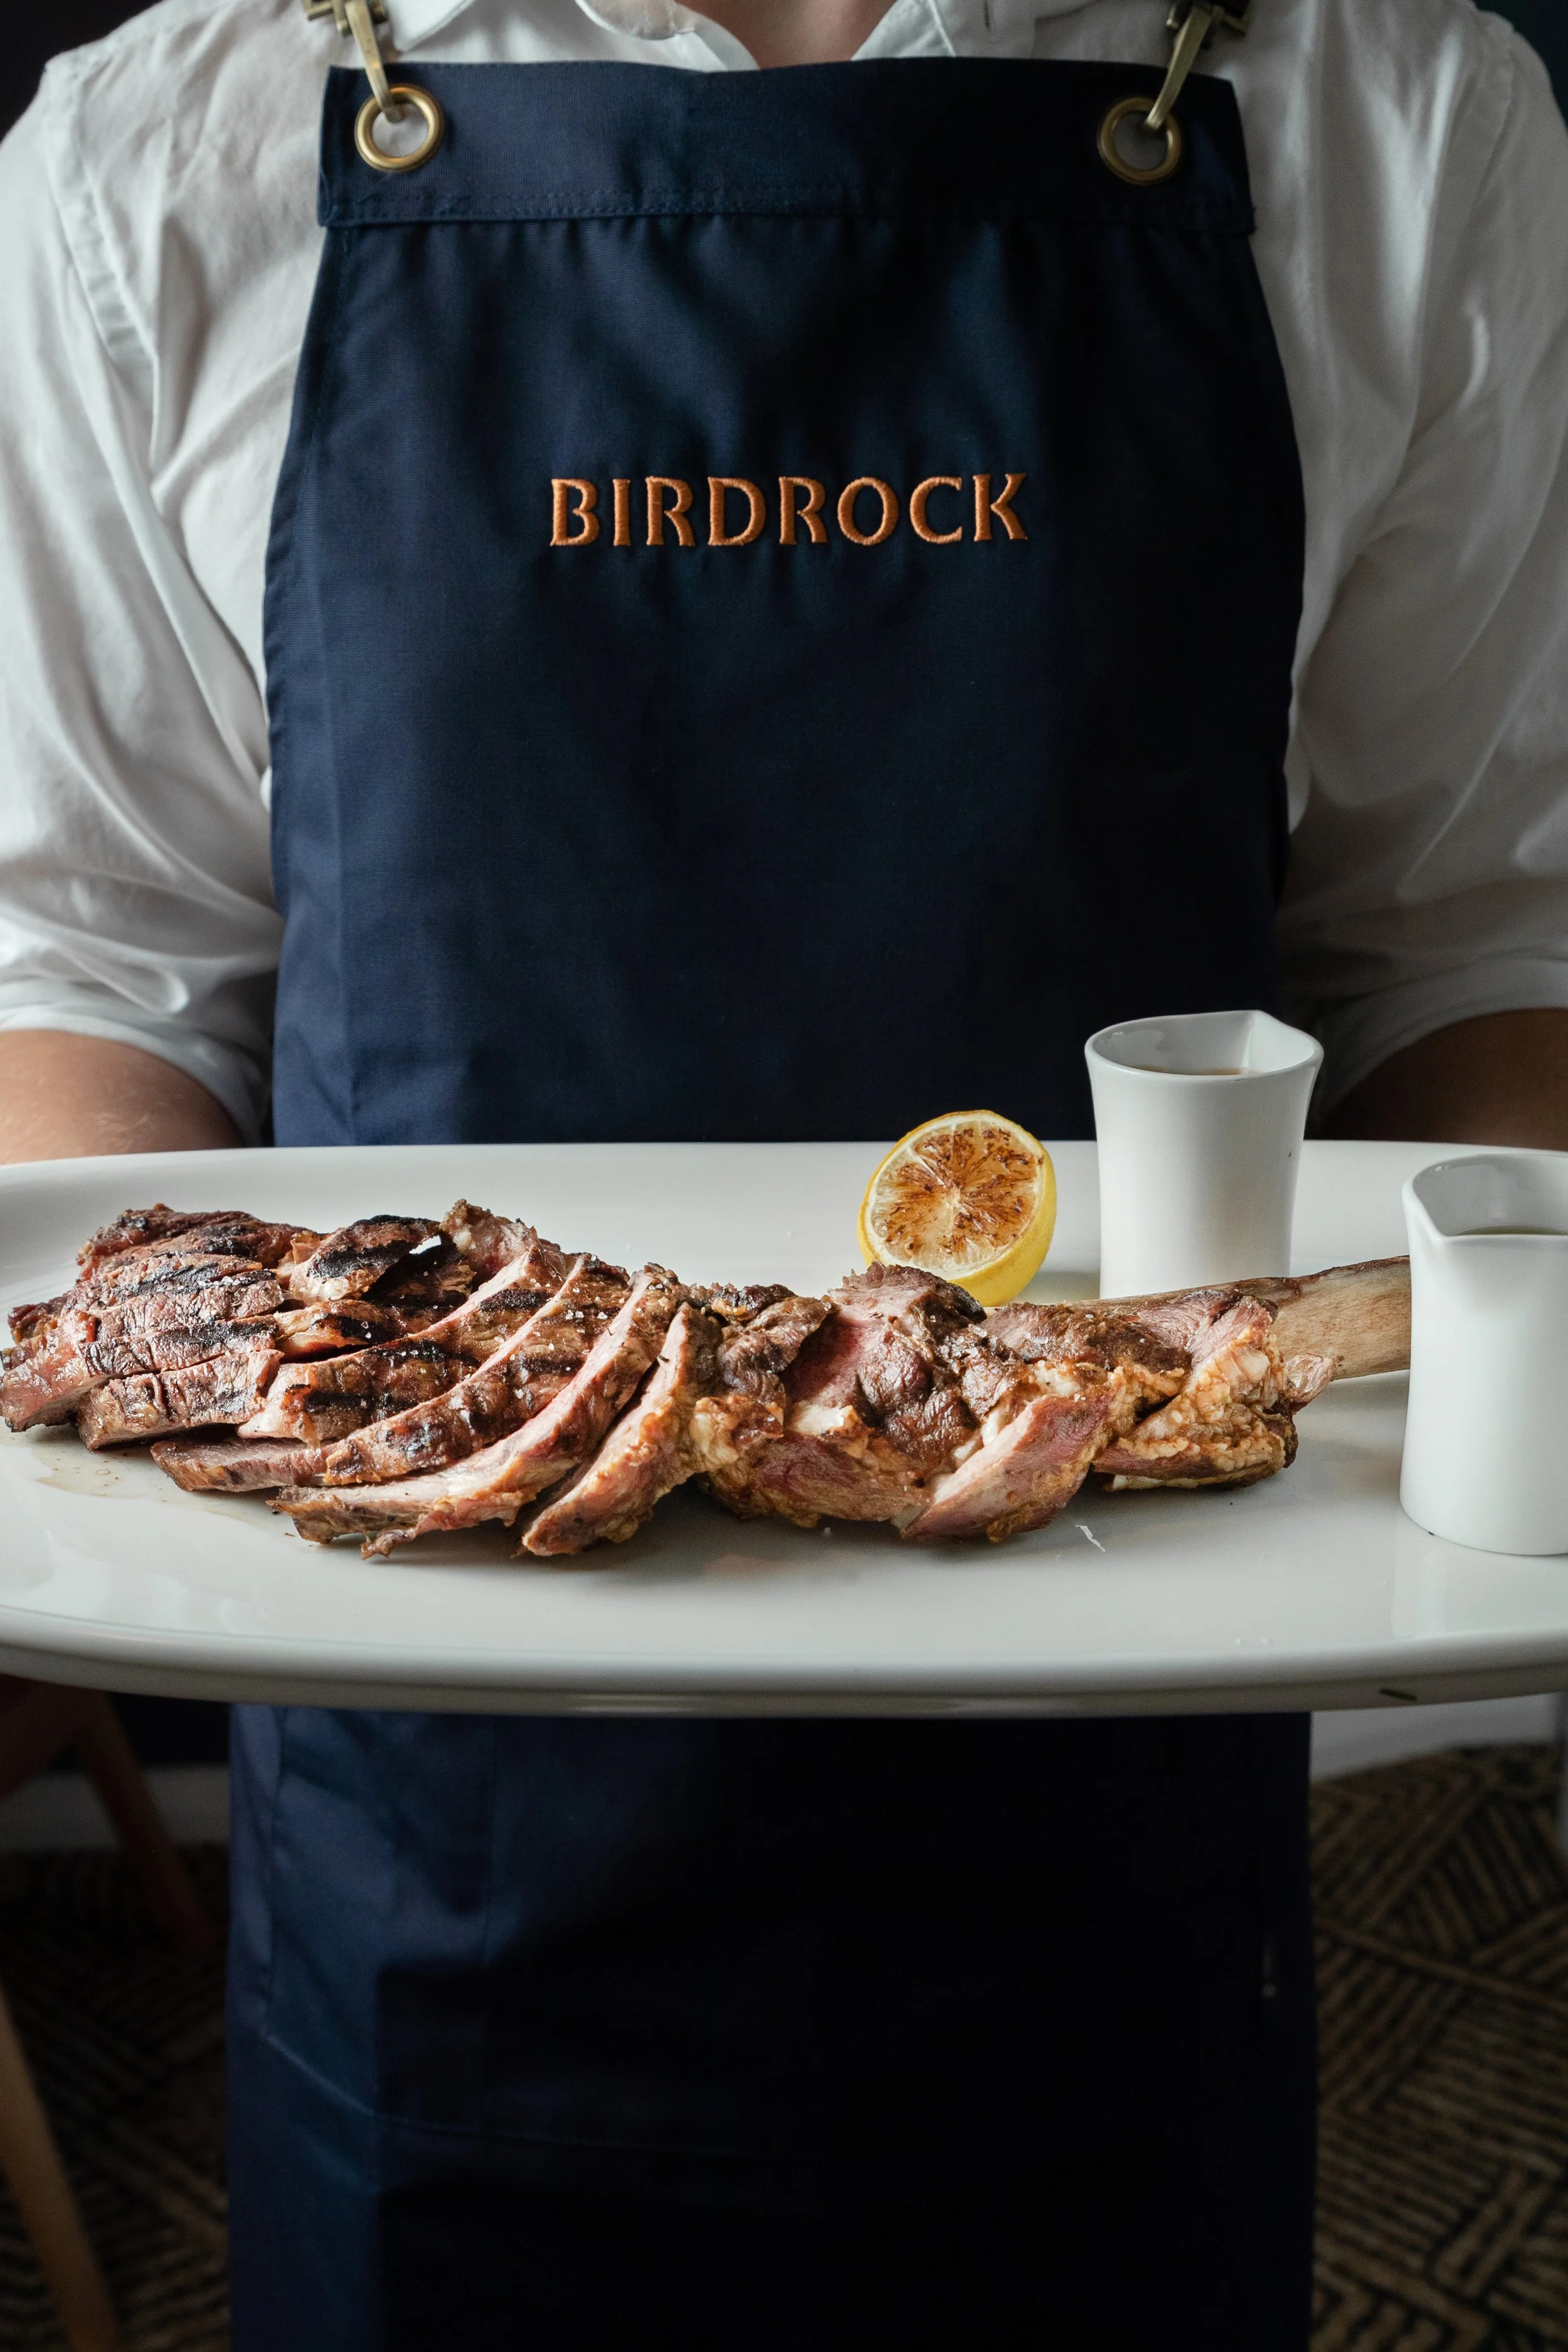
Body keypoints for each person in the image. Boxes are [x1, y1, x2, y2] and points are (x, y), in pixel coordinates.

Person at [2, 0, 1567, 2343]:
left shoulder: (1395, 102)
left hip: (1127, 1815)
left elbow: (1463, 942)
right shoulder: (167, 132)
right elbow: (98, 968)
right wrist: (160, 1405)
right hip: (443, 1842)